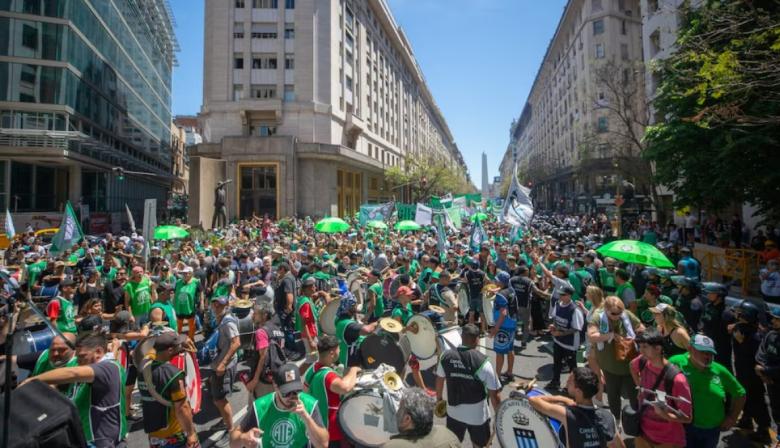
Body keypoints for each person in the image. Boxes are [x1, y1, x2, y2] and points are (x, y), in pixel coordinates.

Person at [23, 332, 127, 447]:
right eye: (77, 357)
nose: (78, 362)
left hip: (103, 443)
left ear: (98, 352)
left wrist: (31, 381)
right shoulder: (100, 368)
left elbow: (72, 372)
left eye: (82, 356)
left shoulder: (109, 368)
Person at [669, 334, 746, 448]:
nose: (707, 356)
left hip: (712, 429)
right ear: (690, 349)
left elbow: (740, 393)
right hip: (685, 425)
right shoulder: (676, 362)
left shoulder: (719, 370)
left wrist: (732, 418)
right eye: (702, 352)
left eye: (710, 353)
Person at [229, 362, 329, 448]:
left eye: (296, 391)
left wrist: (306, 417)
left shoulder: (309, 404)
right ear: (276, 387)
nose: (292, 396)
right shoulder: (260, 407)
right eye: (287, 392)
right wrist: (242, 438)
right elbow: (232, 442)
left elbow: (323, 444)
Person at [435, 323, 500, 448]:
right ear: (477, 340)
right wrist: (499, 415)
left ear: (461, 337)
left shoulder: (445, 356)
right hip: (477, 416)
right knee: (479, 445)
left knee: (453, 444)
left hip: (453, 413)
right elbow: (494, 395)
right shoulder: (483, 362)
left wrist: (439, 399)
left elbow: (439, 379)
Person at [529, 367, 624, 448]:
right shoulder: (608, 416)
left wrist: (561, 398)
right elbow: (621, 446)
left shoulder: (567, 414)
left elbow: (533, 400)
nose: (566, 383)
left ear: (578, 391)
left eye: (570, 381)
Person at [629, 329, 693, 448]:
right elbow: (632, 367)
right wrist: (640, 387)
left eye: (644, 347)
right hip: (642, 432)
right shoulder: (642, 361)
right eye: (639, 346)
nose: (640, 350)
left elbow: (687, 418)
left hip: (666, 439)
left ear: (658, 349)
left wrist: (665, 415)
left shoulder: (678, 379)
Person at [586, 296, 643, 421]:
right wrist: (610, 335)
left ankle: (636, 420)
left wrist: (635, 336)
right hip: (610, 366)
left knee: (634, 394)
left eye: (619, 313)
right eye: (613, 313)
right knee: (613, 395)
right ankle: (616, 420)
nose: (617, 316)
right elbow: (592, 336)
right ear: (606, 309)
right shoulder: (598, 318)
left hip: (629, 365)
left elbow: (640, 328)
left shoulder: (627, 315)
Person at [138, 332, 199, 448]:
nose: (180, 347)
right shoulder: (172, 374)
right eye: (178, 346)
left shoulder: (143, 366)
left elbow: (151, 351)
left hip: (154, 436)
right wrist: (191, 433)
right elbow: (182, 408)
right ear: (170, 350)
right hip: (175, 436)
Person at [303, 335, 361, 447]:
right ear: (331, 353)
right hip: (331, 431)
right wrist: (353, 370)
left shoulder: (312, 369)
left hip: (316, 428)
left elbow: (305, 393)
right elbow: (345, 387)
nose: (340, 351)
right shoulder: (327, 375)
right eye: (338, 348)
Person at [731, 300, 772, 443]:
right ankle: (746, 419)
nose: (737, 315)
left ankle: (763, 430)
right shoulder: (740, 328)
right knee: (745, 397)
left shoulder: (755, 336)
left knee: (757, 401)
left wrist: (742, 343)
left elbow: (755, 358)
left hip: (752, 375)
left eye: (740, 313)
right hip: (742, 370)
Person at [382, 387, 460, 448]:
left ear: (407, 419)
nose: (397, 412)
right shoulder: (447, 434)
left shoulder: (393, 446)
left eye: (399, 408)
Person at [210, 295, 241, 433]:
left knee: (220, 399)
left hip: (224, 365)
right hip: (217, 364)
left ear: (226, 306)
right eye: (215, 305)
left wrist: (222, 364)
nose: (217, 308)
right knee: (217, 397)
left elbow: (236, 343)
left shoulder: (228, 322)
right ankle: (225, 421)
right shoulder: (219, 319)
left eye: (220, 305)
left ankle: (230, 430)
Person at [244, 303, 285, 402]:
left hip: (263, 380)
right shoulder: (278, 330)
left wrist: (254, 380)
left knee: (257, 409)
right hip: (277, 375)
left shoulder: (261, 332)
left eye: (256, 313)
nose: (252, 315)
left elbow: (263, 357)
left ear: (264, 315)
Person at [547, 285, 584, 391]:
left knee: (573, 368)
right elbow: (555, 318)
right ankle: (555, 382)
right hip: (558, 341)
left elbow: (576, 328)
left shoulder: (575, 310)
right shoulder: (558, 304)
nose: (560, 296)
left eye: (563, 294)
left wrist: (561, 333)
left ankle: (574, 388)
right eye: (560, 294)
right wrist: (553, 326)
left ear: (569, 296)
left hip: (570, 344)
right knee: (557, 364)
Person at [755, 305, 780, 448]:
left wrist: (766, 370)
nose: (774, 322)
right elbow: (761, 353)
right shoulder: (771, 335)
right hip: (771, 381)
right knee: (776, 410)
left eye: (778, 320)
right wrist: (762, 372)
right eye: (775, 319)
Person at [698, 282, 735, 370]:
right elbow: (702, 320)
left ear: (719, 296)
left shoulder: (727, 312)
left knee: (722, 366)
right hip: (707, 341)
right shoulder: (708, 306)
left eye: (711, 293)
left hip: (721, 345)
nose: (708, 295)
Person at [461, 258, 487, 334]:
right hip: (480, 296)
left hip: (472, 296)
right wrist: (483, 289)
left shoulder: (467, 273)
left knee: (471, 314)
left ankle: (470, 330)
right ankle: (483, 330)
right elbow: (486, 281)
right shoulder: (483, 273)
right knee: (482, 314)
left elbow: (465, 281)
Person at [174, 266, 201, 340]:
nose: (185, 275)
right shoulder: (178, 282)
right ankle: (177, 340)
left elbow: (201, 292)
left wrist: (202, 303)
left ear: (191, 274)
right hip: (179, 307)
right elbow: (174, 293)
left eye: (187, 273)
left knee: (191, 325)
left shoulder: (196, 282)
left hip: (190, 307)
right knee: (178, 325)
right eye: (183, 273)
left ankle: (191, 339)